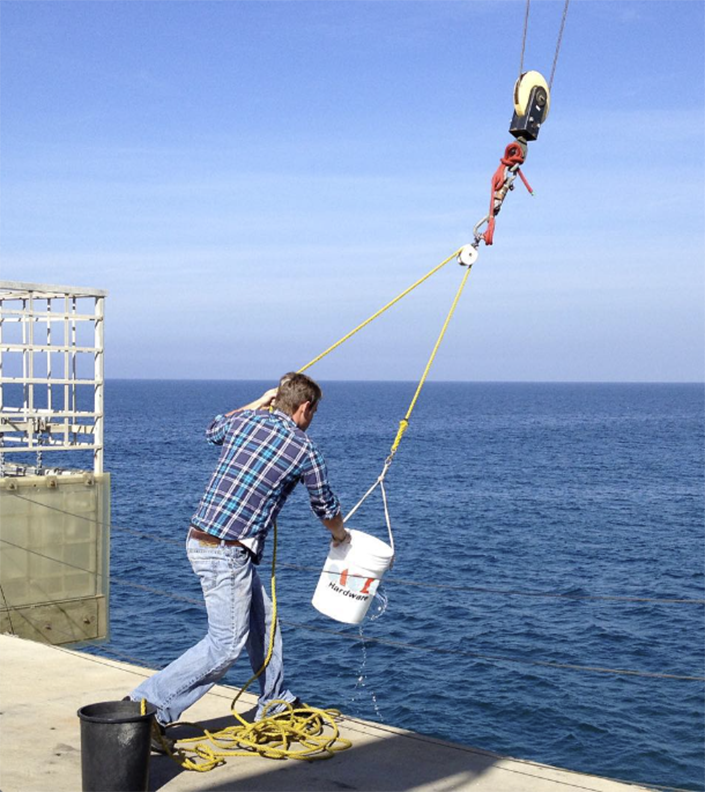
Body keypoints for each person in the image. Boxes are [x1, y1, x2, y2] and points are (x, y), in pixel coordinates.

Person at [129, 372, 348, 744]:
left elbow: (214, 428)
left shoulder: (246, 420)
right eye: (314, 412)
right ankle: (143, 707)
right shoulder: (304, 449)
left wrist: (259, 401)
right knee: (226, 645)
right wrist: (340, 536)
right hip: (227, 551)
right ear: (305, 408)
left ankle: (275, 700)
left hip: (203, 540)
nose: (312, 420)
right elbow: (325, 506)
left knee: (263, 620)